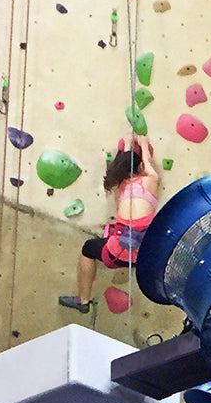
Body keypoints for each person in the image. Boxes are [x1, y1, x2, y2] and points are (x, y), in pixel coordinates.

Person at [60, 134, 162, 313]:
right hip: (143, 257)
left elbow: (125, 165)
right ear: (141, 167)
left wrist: (128, 143)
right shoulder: (151, 181)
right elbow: (147, 163)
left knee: (88, 248)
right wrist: (144, 145)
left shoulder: (120, 186)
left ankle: (83, 300)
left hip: (116, 254)